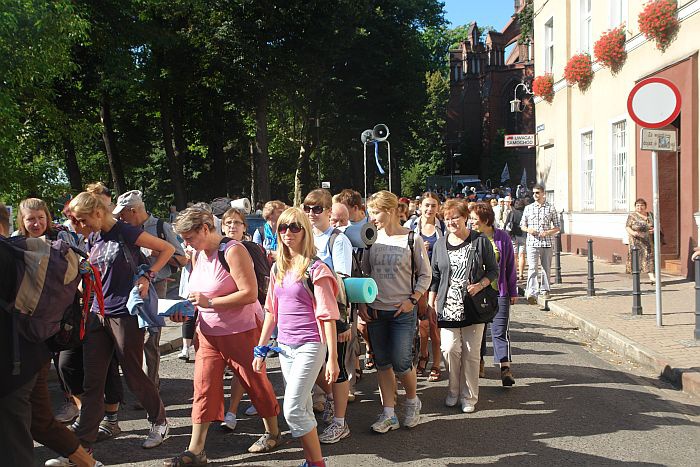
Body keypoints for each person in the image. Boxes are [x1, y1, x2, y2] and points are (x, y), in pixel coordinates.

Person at [166, 207, 281, 466]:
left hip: (242, 331)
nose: (186, 244)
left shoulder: (233, 251)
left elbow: (249, 294)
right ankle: (196, 451)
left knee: (255, 383)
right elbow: (199, 296)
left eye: (189, 237)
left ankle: (273, 432)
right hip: (208, 334)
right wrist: (185, 310)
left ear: (206, 228)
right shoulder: (197, 254)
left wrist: (210, 302)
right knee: (203, 387)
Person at [67, 191, 173, 450]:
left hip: (124, 314)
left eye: (82, 220)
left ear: (98, 213)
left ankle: (159, 422)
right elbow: (94, 273)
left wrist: (147, 276)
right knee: (93, 382)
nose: (78, 226)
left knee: (134, 373)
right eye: (76, 221)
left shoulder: (126, 231)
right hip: (96, 314)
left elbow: (167, 249)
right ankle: (81, 448)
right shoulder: (92, 237)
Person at [253, 207, 339, 467]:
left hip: (311, 346)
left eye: (294, 227)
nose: (287, 232)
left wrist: (333, 358)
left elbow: (328, 316)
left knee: (291, 410)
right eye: (282, 227)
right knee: (300, 408)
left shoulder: (317, 269)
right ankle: (313, 461)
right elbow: (271, 311)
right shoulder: (278, 267)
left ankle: (316, 464)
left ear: (305, 231)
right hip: (285, 347)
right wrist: (261, 348)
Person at [359, 191, 431, 433]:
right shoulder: (372, 240)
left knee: (401, 362)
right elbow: (365, 274)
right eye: (370, 212)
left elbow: (425, 274)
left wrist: (413, 299)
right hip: (376, 311)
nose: (372, 218)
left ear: (390, 211)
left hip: (402, 310)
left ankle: (412, 401)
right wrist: (362, 303)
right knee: (382, 363)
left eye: (375, 212)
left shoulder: (412, 239)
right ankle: (388, 413)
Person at [428, 199, 499, 413]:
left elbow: (493, 270)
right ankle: (453, 390)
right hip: (448, 304)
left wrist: (481, 285)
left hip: (474, 305)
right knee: (449, 348)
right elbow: (435, 276)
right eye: (447, 219)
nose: (451, 222)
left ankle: (469, 397)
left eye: (455, 218)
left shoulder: (480, 241)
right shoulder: (440, 244)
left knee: (471, 352)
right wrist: (432, 301)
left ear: (465, 218)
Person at [113, 189, 187, 390]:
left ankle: (150, 386)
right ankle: (140, 384)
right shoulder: (122, 229)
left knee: (150, 338)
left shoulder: (161, 227)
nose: (120, 217)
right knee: (131, 339)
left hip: (156, 287)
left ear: (134, 211)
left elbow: (182, 259)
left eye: (123, 213)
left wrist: (155, 252)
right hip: (130, 289)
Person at [303, 189, 354, 444]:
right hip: (308, 314)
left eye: (317, 209)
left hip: (333, 314)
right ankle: (332, 400)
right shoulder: (304, 236)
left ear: (327, 211)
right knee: (316, 364)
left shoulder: (338, 240)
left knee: (338, 367)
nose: (311, 214)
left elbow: (342, 283)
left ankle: (340, 421)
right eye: (307, 208)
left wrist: (343, 321)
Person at [219, 207, 263, 429]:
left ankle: (232, 412)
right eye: (228, 222)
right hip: (218, 319)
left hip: (247, 314)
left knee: (245, 365)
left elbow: (262, 281)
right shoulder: (212, 250)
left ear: (245, 227)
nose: (232, 226)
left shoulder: (250, 248)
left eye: (237, 223)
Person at [469, 203, 518, 386]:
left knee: (500, 330)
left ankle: (505, 368)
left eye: (475, 219)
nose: (471, 222)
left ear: (486, 219)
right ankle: (480, 361)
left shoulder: (502, 237)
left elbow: (510, 266)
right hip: (478, 292)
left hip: (500, 291)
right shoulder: (471, 238)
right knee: (479, 331)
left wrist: (513, 290)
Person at [404, 192, 445, 382]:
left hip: (437, 281)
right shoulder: (410, 226)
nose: (429, 210)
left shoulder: (442, 227)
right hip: (414, 281)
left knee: (434, 325)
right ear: (420, 206)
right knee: (421, 325)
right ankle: (423, 356)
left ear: (438, 208)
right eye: (426, 205)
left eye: (433, 206)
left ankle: (436, 364)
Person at [520, 184, 560, 304]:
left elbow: (557, 227)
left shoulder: (551, 208)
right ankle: (532, 292)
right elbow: (522, 225)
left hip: (546, 243)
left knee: (546, 268)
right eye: (534, 193)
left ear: (543, 194)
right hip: (532, 243)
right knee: (532, 268)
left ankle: (545, 290)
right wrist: (528, 230)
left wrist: (548, 232)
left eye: (537, 193)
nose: (535, 195)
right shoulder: (528, 208)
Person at [625, 198, 656, 284]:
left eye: (642, 205)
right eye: (638, 205)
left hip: (648, 241)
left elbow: (656, 224)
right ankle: (636, 278)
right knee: (637, 259)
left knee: (649, 258)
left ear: (645, 206)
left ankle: (652, 278)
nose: (640, 207)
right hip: (636, 241)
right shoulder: (632, 216)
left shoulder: (650, 215)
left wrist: (654, 230)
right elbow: (627, 226)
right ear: (635, 207)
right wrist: (634, 233)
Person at [506, 199, 527, 280]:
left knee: (514, 256)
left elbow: (506, 225)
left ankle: (514, 274)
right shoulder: (525, 213)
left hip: (513, 236)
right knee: (522, 255)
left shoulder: (512, 213)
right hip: (523, 235)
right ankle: (521, 274)